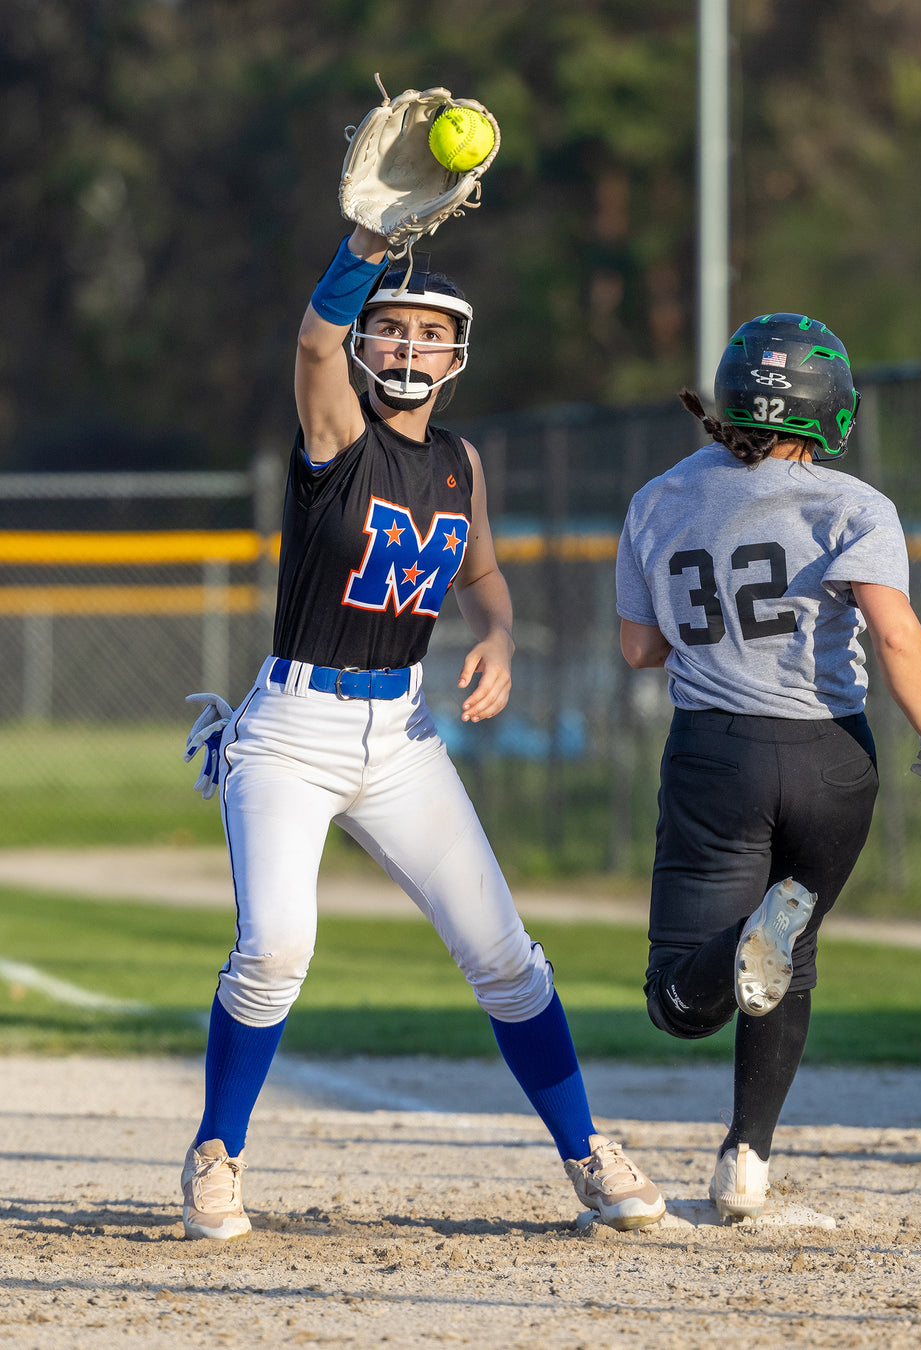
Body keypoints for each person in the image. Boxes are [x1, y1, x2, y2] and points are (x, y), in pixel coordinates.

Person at [179, 220, 665, 1239]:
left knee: (505, 957)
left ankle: (587, 1154)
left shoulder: (459, 463)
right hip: (293, 729)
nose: (405, 349)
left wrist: (500, 633)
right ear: (365, 344)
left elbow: (482, 574)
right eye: (389, 330)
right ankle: (218, 1152)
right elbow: (313, 345)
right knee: (275, 950)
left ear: (457, 355)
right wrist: (364, 247)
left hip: (402, 732)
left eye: (427, 335)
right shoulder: (335, 434)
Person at [615, 313, 921, 1219]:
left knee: (679, 999)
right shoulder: (855, 505)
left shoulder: (659, 499)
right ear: (830, 411)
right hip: (833, 758)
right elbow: (893, 631)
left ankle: (741, 950)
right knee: (792, 957)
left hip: (718, 754)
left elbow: (639, 650)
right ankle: (746, 1162)